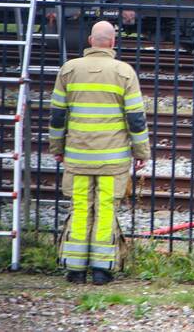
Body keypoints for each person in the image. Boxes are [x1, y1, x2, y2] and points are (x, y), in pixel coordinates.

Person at [49, 20, 150, 286]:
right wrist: (141, 152)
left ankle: (75, 269)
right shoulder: (124, 72)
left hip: (78, 157)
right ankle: (102, 270)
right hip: (112, 160)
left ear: (90, 41)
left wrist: (57, 147)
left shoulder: (68, 70)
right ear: (113, 43)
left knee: (80, 207)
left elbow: (58, 115)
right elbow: (136, 119)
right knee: (106, 209)